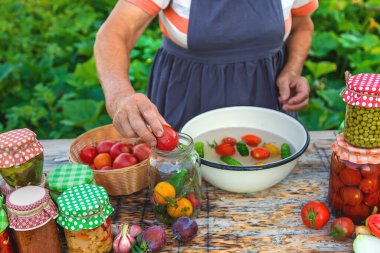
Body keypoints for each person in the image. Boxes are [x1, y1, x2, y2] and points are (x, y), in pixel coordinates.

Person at [94, 0, 318, 147]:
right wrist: (119, 95)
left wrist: (292, 70)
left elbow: (302, 26)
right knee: (181, 180)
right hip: (187, 96)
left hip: (266, 98)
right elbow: (115, 33)